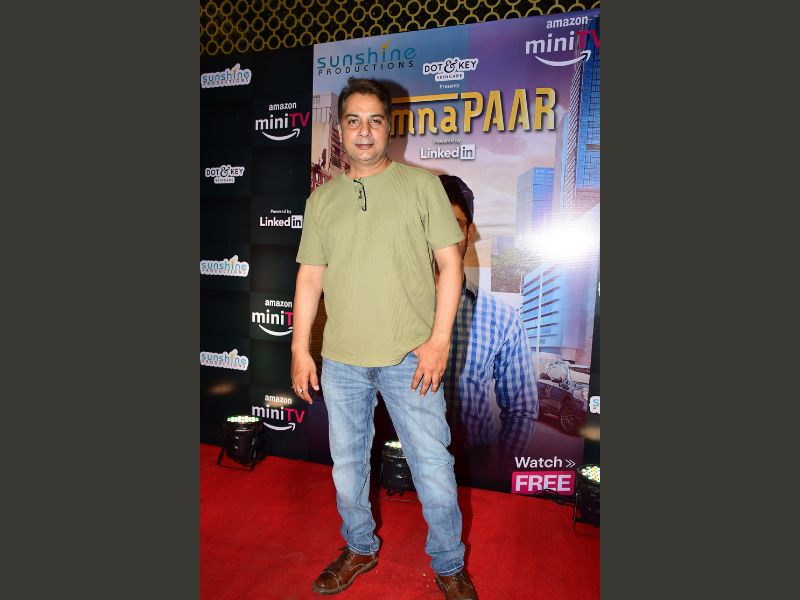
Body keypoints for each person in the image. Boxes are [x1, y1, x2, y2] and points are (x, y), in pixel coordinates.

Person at [291, 77, 478, 600]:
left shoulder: (422, 186)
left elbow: (450, 266)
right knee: (348, 468)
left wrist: (439, 342)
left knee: (433, 467)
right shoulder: (322, 199)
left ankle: (449, 563)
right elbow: (309, 277)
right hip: (342, 360)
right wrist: (300, 348)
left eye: (375, 120)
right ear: (341, 128)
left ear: (389, 128)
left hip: (410, 358)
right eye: (353, 120)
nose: (364, 131)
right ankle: (359, 547)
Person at [437, 175, 539, 479]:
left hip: (473, 468)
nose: (441, 237)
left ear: (469, 233)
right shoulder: (392, 307)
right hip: (401, 464)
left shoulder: (502, 319)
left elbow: (521, 408)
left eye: (453, 225)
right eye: (431, 223)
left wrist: (500, 470)